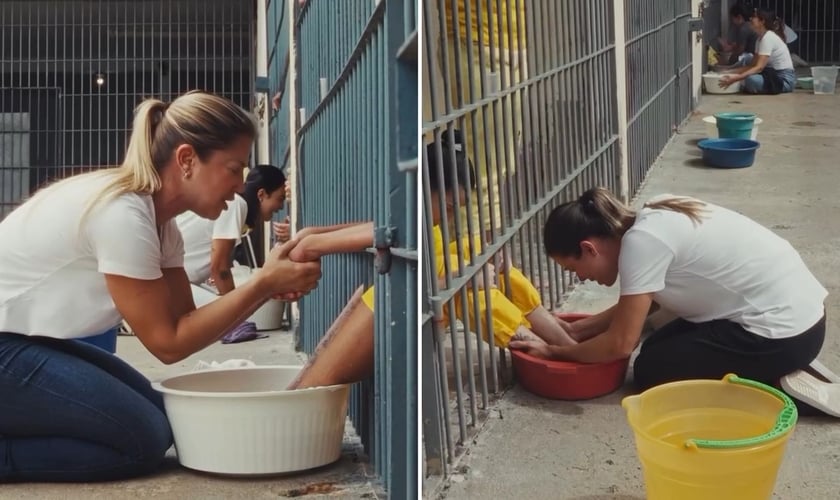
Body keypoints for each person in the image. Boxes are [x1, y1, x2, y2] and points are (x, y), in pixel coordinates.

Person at [0, 90, 322, 482]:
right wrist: (262, 285)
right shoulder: (122, 215)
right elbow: (167, 344)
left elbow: (188, 320)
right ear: (187, 160)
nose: (240, 186)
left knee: (165, 413)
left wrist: (265, 287)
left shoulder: (162, 225)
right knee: (142, 439)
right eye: (233, 168)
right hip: (8, 345)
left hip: (26, 340)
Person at [508, 187, 837, 415]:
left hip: (785, 333)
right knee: (657, 348)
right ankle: (772, 362)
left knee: (653, 371)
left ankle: (772, 383)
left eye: (574, 268)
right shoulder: (654, 213)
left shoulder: (641, 246)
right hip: (798, 314)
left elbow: (621, 343)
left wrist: (554, 351)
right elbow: (644, 306)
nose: (580, 279)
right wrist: (578, 332)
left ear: (589, 248)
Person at [291, 131, 575, 350]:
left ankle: (561, 339)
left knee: (481, 252)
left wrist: (314, 232)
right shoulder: (412, 218)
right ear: (428, 187)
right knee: (470, 289)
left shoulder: (424, 216)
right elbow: (413, 281)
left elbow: (374, 228)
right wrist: (463, 277)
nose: (451, 217)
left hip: (436, 283)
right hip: (419, 304)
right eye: (450, 207)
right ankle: (534, 346)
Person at [176, 164, 287, 294]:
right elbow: (219, 267)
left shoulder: (237, 207)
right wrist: (232, 304)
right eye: (280, 199)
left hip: (183, 283)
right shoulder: (236, 204)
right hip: (176, 283)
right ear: (261, 194)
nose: (281, 207)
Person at [720, 8, 796, 94]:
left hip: (783, 80)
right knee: (748, 60)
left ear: (762, 21)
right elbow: (753, 65)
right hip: (771, 74)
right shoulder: (759, 39)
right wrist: (728, 72)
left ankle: (748, 85)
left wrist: (736, 78)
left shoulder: (768, 38)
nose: (750, 19)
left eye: (754, 17)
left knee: (751, 80)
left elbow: (759, 68)